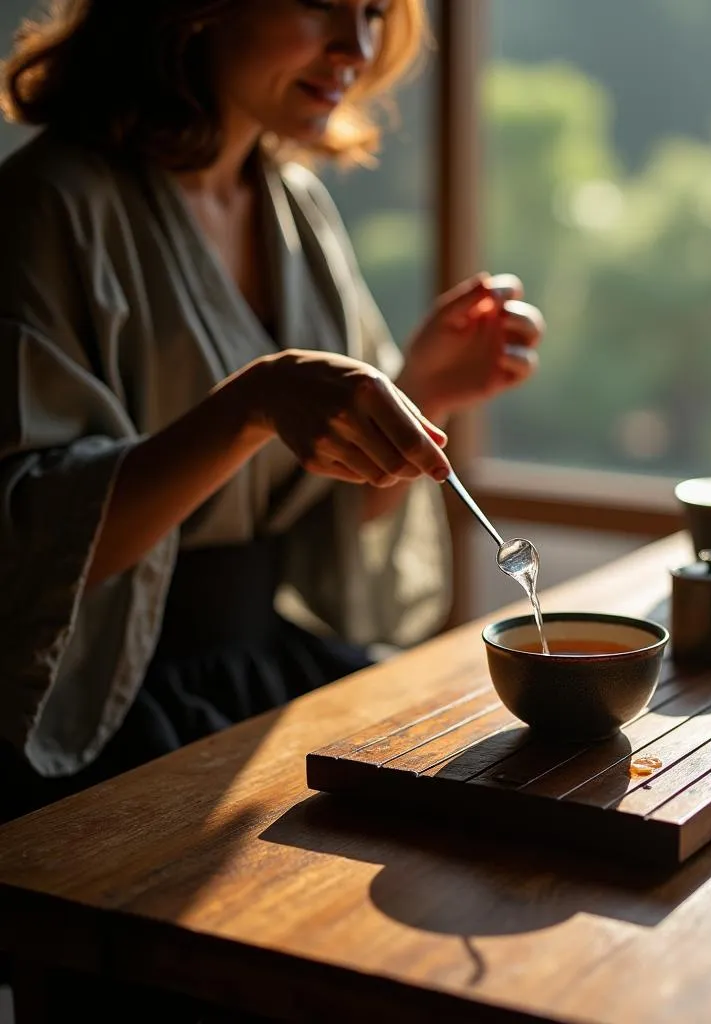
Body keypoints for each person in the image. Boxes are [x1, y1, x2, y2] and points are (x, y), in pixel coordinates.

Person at [0, 0, 544, 823]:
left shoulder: (298, 207)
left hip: (269, 683)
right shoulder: (49, 205)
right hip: (104, 712)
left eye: (371, 13)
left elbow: (329, 523)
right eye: (323, 4)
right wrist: (250, 404)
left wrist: (424, 388)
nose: (355, 48)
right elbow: (28, 547)